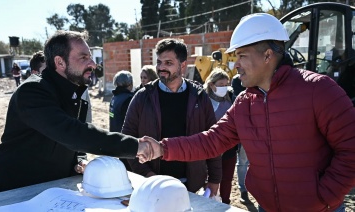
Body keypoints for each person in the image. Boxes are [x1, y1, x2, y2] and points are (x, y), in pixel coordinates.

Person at [139, 13, 355, 211]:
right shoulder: (244, 103)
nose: (236, 65)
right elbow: (211, 141)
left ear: (268, 55)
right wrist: (162, 148)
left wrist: (322, 197)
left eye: (241, 55)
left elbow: (351, 150)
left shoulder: (319, 90)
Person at [0, 30, 152, 195]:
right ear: (60, 62)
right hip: (12, 195)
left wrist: (79, 161)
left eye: (91, 57)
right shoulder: (32, 92)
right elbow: (72, 133)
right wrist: (136, 146)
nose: (92, 64)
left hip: (52, 192)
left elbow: (73, 146)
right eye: (84, 57)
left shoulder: (76, 94)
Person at [122, 38, 222, 196]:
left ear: (183, 65)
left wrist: (215, 179)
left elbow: (213, 140)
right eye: (159, 62)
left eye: (168, 63)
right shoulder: (143, 97)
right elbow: (128, 139)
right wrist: (148, 175)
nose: (161, 67)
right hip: (153, 185)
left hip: (191, 186)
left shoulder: (199, 97)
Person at [203, 67, 237, 204]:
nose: (225, 88)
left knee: (227, 178)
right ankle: (209, 202)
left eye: (226, 84)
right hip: (210, 148)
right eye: (221, 85)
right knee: (210, 178)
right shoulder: (204, 102)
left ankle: (226, 203)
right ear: (212, 85)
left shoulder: (231, 100)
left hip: (229, 149)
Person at [231, 73, 252, 204]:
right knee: (243, 161)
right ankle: (243, 190)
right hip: (245, 131)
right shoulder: (238, 81)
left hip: (256, 131)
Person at [109, 70, 134, 171]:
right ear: (129, 84)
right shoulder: (128, 99)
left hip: (116, 138)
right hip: (125, 141)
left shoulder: (114, 98)